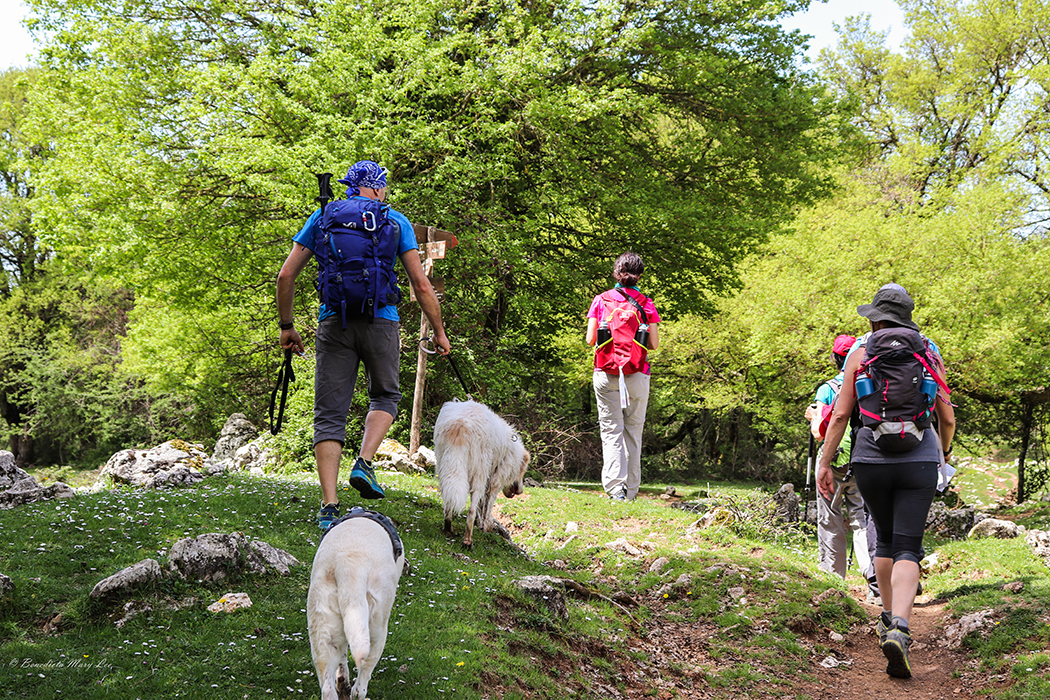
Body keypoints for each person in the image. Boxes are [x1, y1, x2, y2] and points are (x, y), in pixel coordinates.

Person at [276, 160, 450, 530]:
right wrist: (439, 331)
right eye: (384, 185)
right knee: (385, 396)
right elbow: (421, 285)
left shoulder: (323, 216)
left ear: (350, 186)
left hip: (333, 321)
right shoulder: (395, 220)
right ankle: (365, 461)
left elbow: (286, 275)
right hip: (381, 320)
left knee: (329, 413)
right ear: (376, 187)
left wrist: (287, 327)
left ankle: (328, 505)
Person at [818, 284, 955, 679]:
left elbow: (841, 416)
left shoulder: (860, 354)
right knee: (909, 546)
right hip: (920, 458)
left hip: (870, 458)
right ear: (908, 318)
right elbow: (946, 417)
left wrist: (827, 463)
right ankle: (901, 627)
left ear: (876, 319)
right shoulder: (929, 354)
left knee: (884, 537)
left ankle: (885, 615)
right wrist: (943, 454)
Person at [804, 335, 879, 598]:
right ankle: (874, 581)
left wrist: (814, 415)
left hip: (832, 461)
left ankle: (832, 581)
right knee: (862, 520)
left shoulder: (827, 389)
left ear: (836, 358)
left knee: (830, 519)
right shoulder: (868, 384)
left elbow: (818, 433)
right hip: (862, 459)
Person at [585, 252, 660, 501]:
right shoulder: (647, 304)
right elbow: (655, 344)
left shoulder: (601, 300)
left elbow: (590, 340)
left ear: (616, 273)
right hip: (638, 374)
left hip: (606, 373)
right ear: (640, 275)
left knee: (611, 431)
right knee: (633, 431)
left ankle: (615, 489)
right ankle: (632, 490)